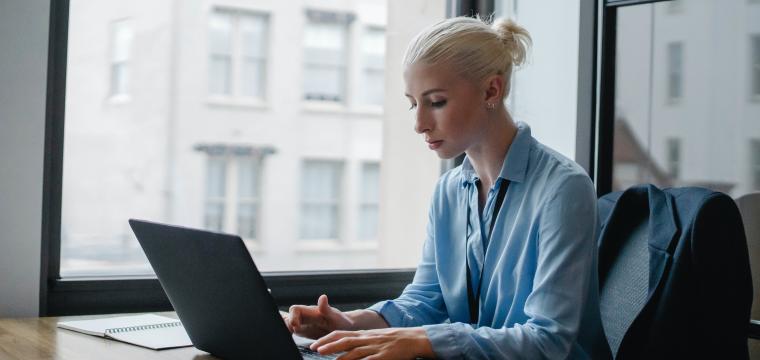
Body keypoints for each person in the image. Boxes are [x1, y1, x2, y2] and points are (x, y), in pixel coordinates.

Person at [284, 15, 610, 359]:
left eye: (436, 102)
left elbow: (548, 341)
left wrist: (425, 340)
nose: (419, 124)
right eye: (414, 103)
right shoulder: (450, 192)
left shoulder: (563, 189)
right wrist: (349, 322)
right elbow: (426, 300)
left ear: (491, 90)